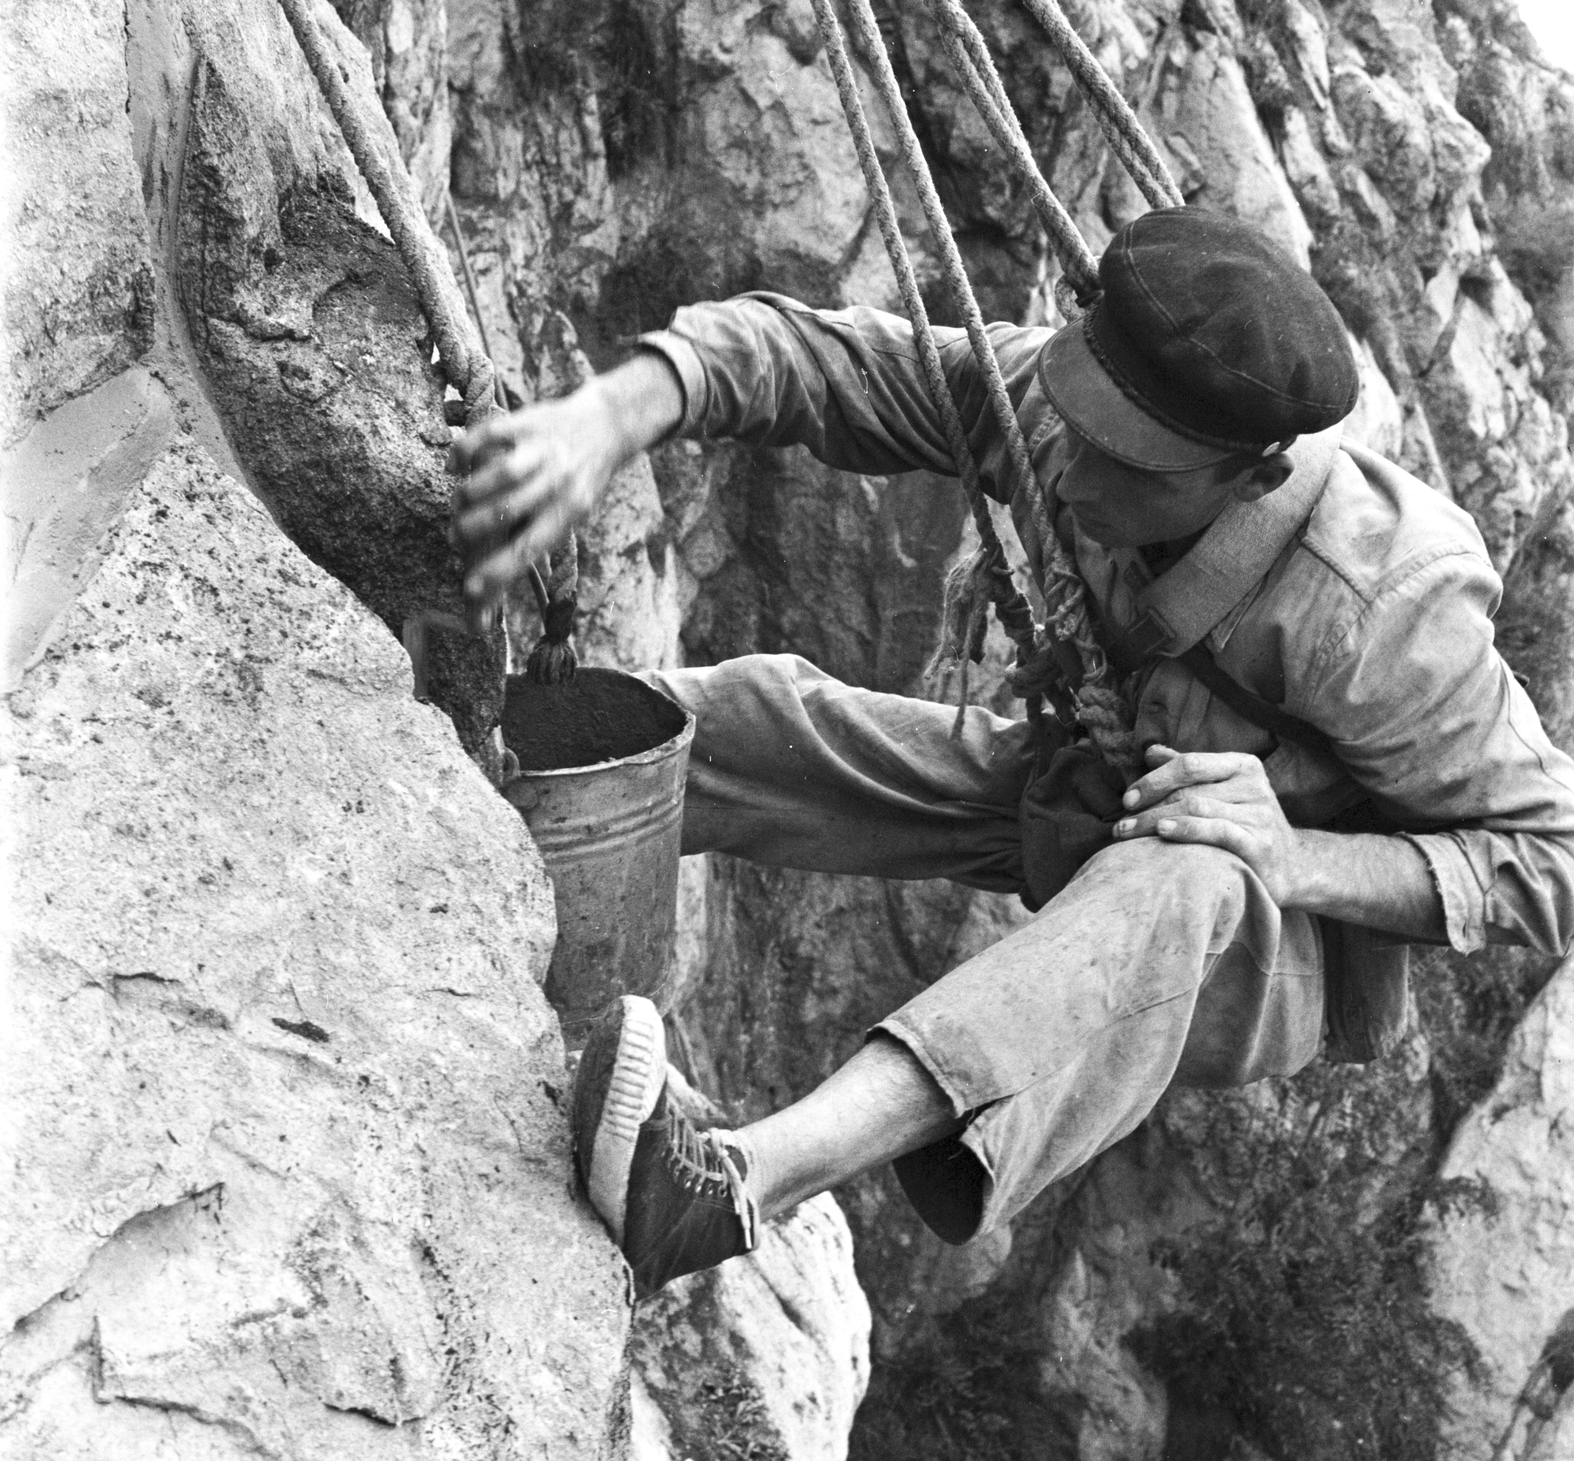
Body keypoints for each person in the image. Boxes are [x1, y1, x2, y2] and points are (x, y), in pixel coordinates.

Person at [451, 208, 1574, 1299]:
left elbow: (1552, 858)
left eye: (1129, 469)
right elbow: (815, 359)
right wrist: (604, 417)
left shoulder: (1378, 605)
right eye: (1077, 430)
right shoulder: (1072, 407)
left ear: (1253, 477)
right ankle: (487, 854)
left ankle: (733, 1186)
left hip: (1260, 931)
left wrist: (1291, 855)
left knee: (1183, 866)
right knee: (744, 719)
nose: (1075, 482)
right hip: (1096, 791)